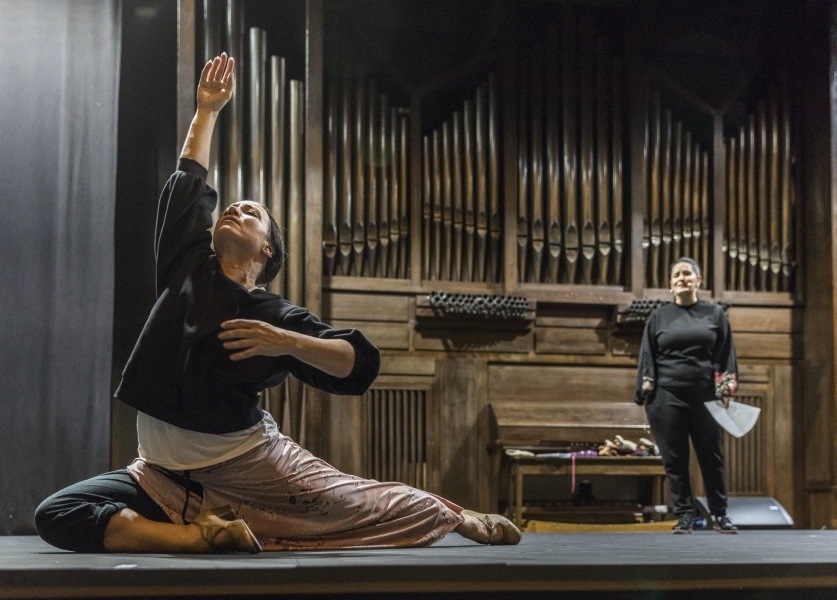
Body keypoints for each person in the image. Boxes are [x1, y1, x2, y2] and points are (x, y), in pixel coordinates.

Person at [35, 53, 521, 554]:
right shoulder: (186, 268)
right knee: (56, 515)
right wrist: (207, 110)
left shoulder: (270, 314)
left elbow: (360, 361)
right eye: (232, 206)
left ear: (266, 251)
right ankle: (198, 537)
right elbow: (188, 184)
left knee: (361, 505)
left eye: (252, 213)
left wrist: (285, 341)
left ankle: (456, 514)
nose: (235, 208)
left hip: (251, 466)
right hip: (161, 476)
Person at [634, 257, 739, 534]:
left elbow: (725, 354)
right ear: (670, 284)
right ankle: (684, 516)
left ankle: (720, 515)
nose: (681, 278)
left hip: (706, 396)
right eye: (676, 275)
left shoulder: (714, 314)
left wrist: (725, 390)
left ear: (698, 281)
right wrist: (645, 392)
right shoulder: (658, 317)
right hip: (666, 396)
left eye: (687, 273)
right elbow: (648, 356)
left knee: (711, 457)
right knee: (675, 460)